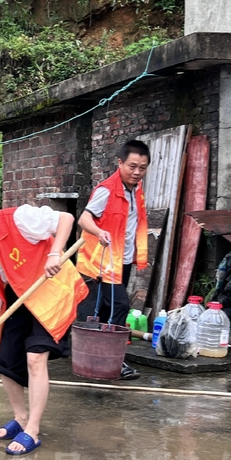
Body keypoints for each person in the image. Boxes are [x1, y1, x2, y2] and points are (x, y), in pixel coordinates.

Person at [0, 191, 87, 455]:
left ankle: (32, 430)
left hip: (50, 286)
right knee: (6, 360)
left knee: (35, 357)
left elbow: (66, 219)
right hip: (17, 294)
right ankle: (20, 418)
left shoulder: (20, 219)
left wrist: (54, 254)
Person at [76, 140, 151, 381]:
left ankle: (98, 358)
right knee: (119, 307)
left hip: (123, 261)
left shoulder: (136, 190)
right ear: (120, 163)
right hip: (103, 263)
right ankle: (115, 361)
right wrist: (99, 232)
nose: (137, 172)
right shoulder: (107, 189)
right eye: (132, 166)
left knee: (110, 309)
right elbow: (84, 219)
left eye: (142, 167)